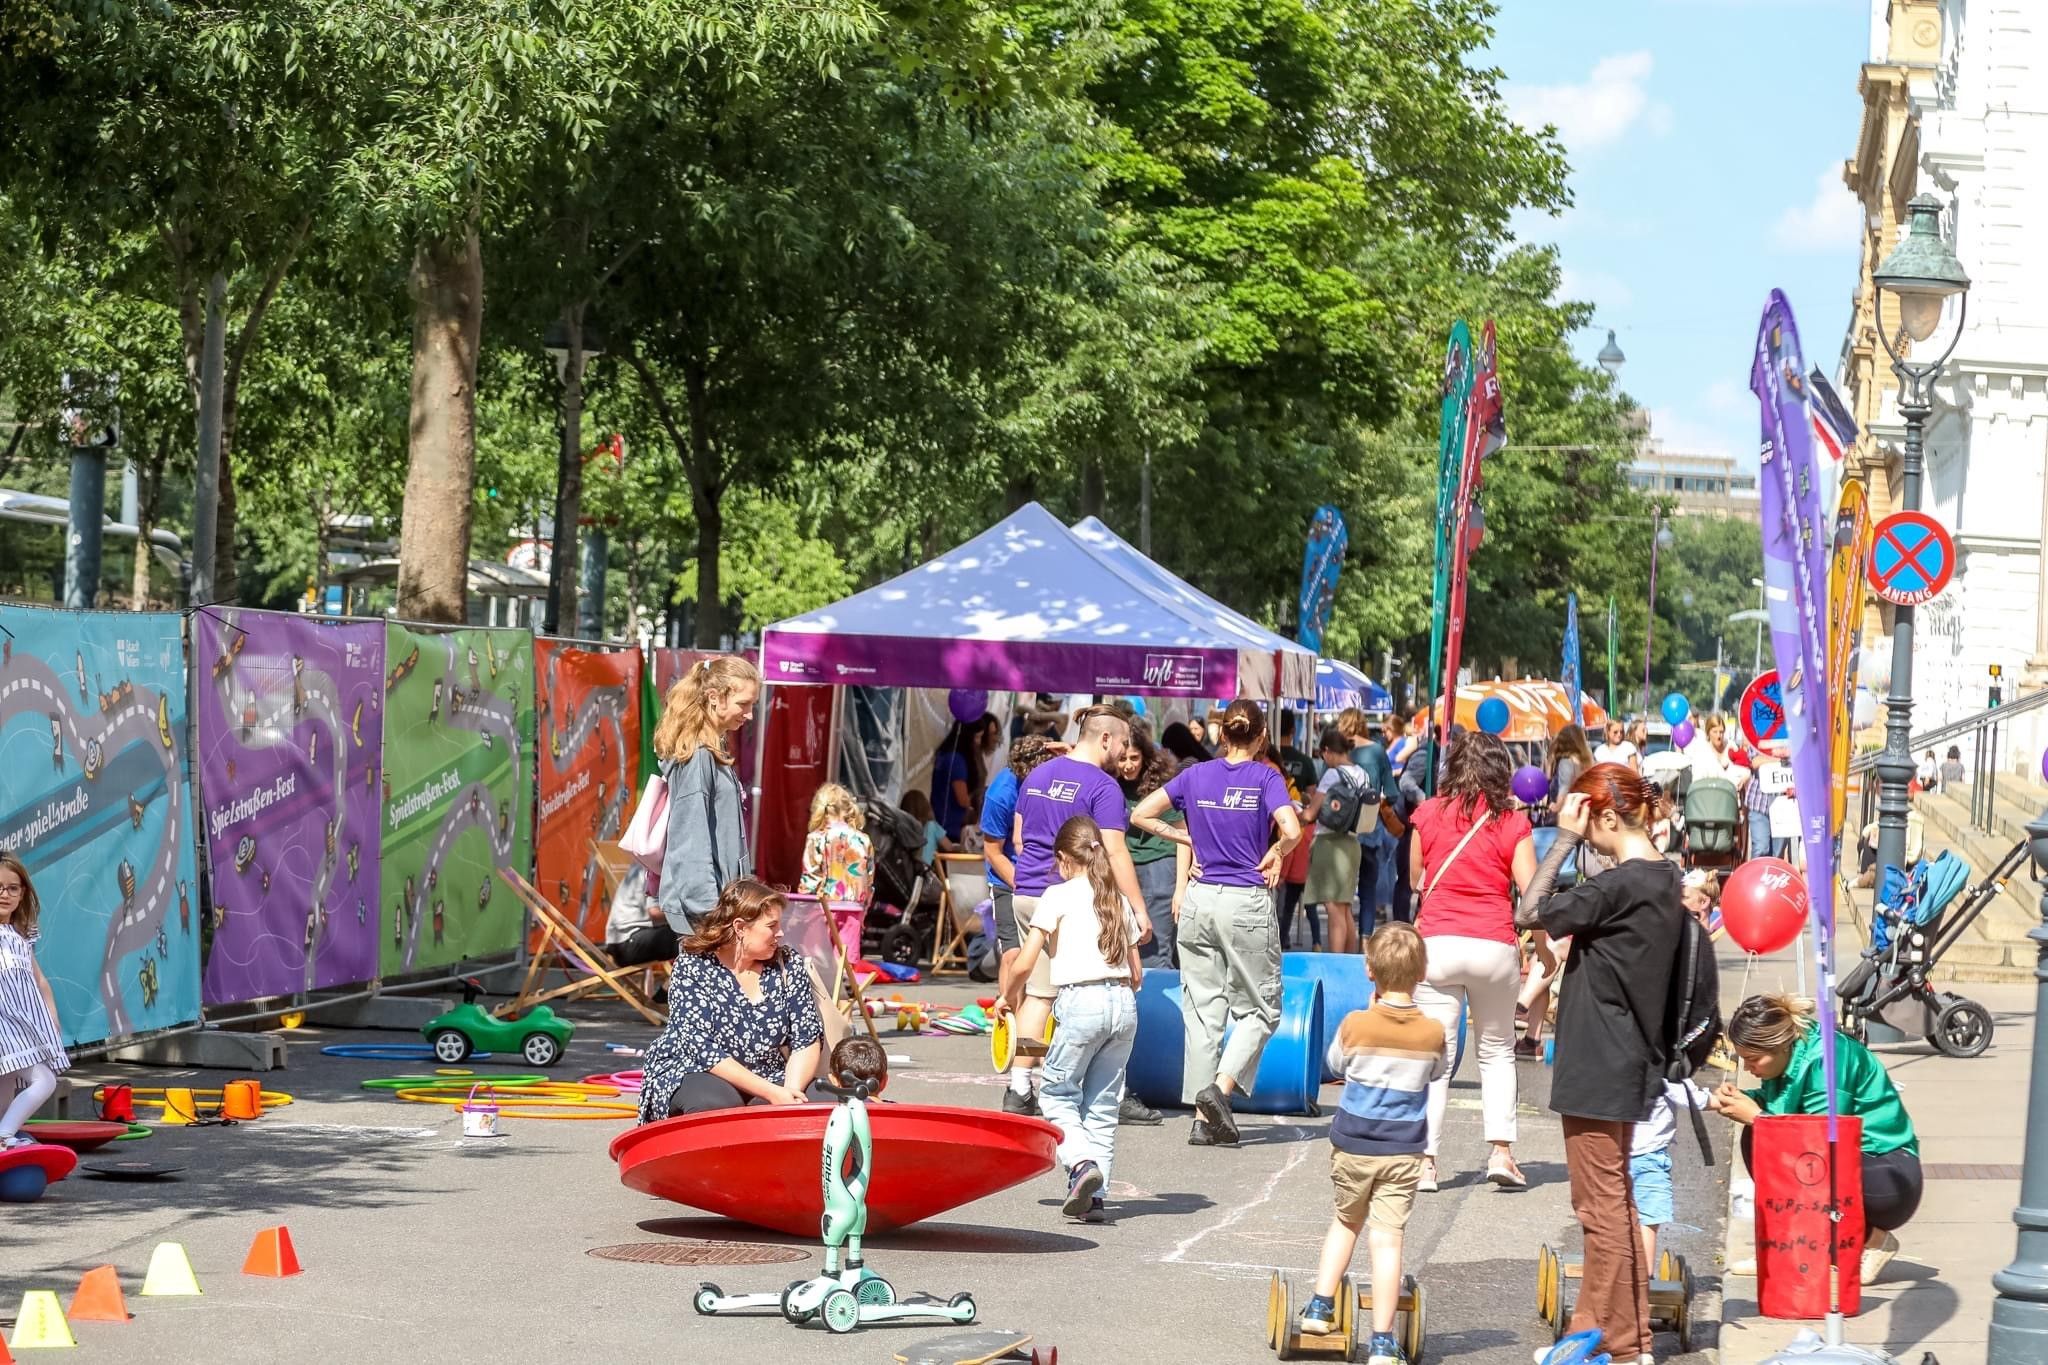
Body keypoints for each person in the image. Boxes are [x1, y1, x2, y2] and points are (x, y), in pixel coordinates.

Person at [1513, 764, 1685, 1365]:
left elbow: (1530, 911)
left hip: (1598, 1058)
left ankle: (1619, 1344)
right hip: (1630, 1054)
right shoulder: (1664, 876)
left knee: (1600, 1207)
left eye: (1587, 822)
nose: (1585, 833)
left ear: (1607, 815)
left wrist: (1562, 838)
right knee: (1616, 1203)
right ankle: (1614, 1338)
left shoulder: (1619, 886)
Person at [1132, 699, 1303, 1147]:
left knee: (1203, 1013)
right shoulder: (1266, 777)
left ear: (1222, 734)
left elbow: (1140, 814)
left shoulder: (1195, 775)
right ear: (1261, 737)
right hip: (1245, 900)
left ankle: (1201, 1118)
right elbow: (1292, 829)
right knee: (1261, 1009)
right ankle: (1219, 1090)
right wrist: (1277, 851)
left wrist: (1182, 835)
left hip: (1199, 899)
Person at [1299, 923, 1444, 1365]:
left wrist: (1368, 1022)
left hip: (1354, 1145)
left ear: (1369, 970)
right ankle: (1382, 1340)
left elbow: (1333, 1064)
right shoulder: (1433, 1031)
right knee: (1388, 1240)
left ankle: (1320, 1306)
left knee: (1346, 1221)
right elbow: (1437, 1072)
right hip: (1402, 1151)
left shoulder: (1355, 1024)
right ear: (1422, 973)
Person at [1712, 993, 1922, 1284]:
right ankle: (1792, 1246)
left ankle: (1872, 1240)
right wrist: (1742, 1100)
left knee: (1773, 1139)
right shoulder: (1790, 1055)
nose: (1748, 1068)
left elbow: (1820, 1143)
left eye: (1753, 1059)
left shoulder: (1827, 1061)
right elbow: (1784, 1110)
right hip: (1852, 1163)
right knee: (1757, 1136)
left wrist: (1758, 1117)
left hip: (1886, 1174)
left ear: (1780, 1045)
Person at [1009, 707, 1156, 1124]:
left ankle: (1022, 1085)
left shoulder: (1037, 775)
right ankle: (1096, 1089)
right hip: (1073, 898)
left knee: (1039, 996)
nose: (1124, 752)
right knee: (1083, 991)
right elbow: (1115, 851)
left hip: (1027, 892)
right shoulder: (1103, 787)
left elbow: (1018, 838)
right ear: (1105, 739)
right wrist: (1137, 909)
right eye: (1123, 743)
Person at [1407, 730, 1534, 1191]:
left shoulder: (1427, 813)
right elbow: (1532, 895)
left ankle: (1425, 1162)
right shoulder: (1513, 823)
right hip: (1493, 945)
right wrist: (1543, 947)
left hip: (1437, 943)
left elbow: (1416, 879)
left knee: (1436, 1057)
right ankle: (1501, 1153)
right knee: (1497, 1051)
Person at [1003, 815, 1143, 1224]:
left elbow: (1024, 962)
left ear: (1064, 858)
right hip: (1123, 1004)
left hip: (1082, 1000)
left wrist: (1006, 997)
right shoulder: (1116, 897)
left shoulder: (1057, 895)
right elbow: (1137, 973)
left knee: (1056, 1094)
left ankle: (1081, 1165)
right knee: (1102, 1105)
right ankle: (1095, 1198)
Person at [636, 880, 827, 1120]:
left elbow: (807, 1037)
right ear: (740, 927)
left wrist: (790, 1093)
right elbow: (702, 1049)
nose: (780, 933)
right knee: (718, 1107)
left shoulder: (787, 964)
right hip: (696, 1069)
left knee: (829, 1102)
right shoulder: (694, 966)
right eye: (772, 926)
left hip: (770, 1073)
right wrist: (771, 1093)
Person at [653, 655, 758, 931]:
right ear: (714, 697)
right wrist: (710, 912)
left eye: (752, 705)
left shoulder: (708, 752)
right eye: (743, 704)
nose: (749, 714)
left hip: (715, 908)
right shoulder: (699, 756)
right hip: (705, 914)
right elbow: (690, 839)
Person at [982, 735, 1055, 1112]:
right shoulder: (1001, 795)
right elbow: (993, 851)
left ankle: (1036, 1039)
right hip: (1009, 879)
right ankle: (1011, 1031)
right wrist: (1020, 883)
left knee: (1043, 967)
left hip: (1043, 880)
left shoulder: (1052, 778)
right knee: (1013, 957)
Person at [0, 854, 67, 1149]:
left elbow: (39, 981)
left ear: (22, 893)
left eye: (12, 888)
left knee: (5, 1087)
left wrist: (52, 1016)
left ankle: (3, 1134)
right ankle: (4, 1136)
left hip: (23, 1025)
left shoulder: (21, 935)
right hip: (5, 1026)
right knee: (44, 1080)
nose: (5, 894)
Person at [1302, 728, 1368, 958]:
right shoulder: (1362, 773)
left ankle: (1335, 963)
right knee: (1345, 907)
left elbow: (1311, 813)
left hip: (1330, 844)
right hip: (1352, 843)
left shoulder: (1332, 775)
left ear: (1328, 751)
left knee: (1333, 908)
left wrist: (1295, 810)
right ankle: (1348, 963)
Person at [1122, 739, 1183, 970]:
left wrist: (1180, 889)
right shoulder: (1109, 783)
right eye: (1122, 758)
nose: (1128, 765)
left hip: (1159, 868)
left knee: (1154, 955)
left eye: (1134, 758)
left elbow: (1182, 835)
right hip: (1125, 869)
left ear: (1145, 757)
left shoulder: (1160, 786)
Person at [1339, 707, 1396, 939]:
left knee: (1342, 893)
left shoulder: (1339, 751)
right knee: (1368, 890)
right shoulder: (1377, 752)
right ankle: (1365, 940)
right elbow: (1392, 793)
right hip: (1371, 827)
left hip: (1342, 831)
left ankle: (1342, 942)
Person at [798, 783, 874, 905]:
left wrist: (799, 910)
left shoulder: (816, 838)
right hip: (855, 909)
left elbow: (810, 882)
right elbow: (869, 880)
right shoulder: (863, 840)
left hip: (824, 909)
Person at [931, 712, 1000, 845]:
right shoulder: (956, 761)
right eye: (977, 737)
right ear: (967, 737)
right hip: (951, 827)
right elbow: (962, 799)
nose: (978, 742)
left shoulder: (946, 755)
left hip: (945, 823)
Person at [603, 864, 677, 968]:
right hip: (627, 943)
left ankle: (684, 975)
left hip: (620, 943)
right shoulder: (654, 869)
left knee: (689, 935)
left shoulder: (646, 862)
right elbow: (655, 912)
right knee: (690, 936)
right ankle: (689, 975)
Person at [1545, 724, 1595, 812]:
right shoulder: (1587, 760)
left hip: (1568, 810)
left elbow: (1564, 789)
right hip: (1585, 808)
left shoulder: (1566, 762)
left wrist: (1557, 807)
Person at [898, 789, 955, 866]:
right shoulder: (932, 826)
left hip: (907, 868)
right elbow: (949, 847)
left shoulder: (902, 827)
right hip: (926, 868)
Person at [1276, 708, 1321, 799]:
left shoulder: (1263, 760)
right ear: (1293, 730)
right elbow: (1311, 797)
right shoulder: (1306, 762)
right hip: (1297, 807)